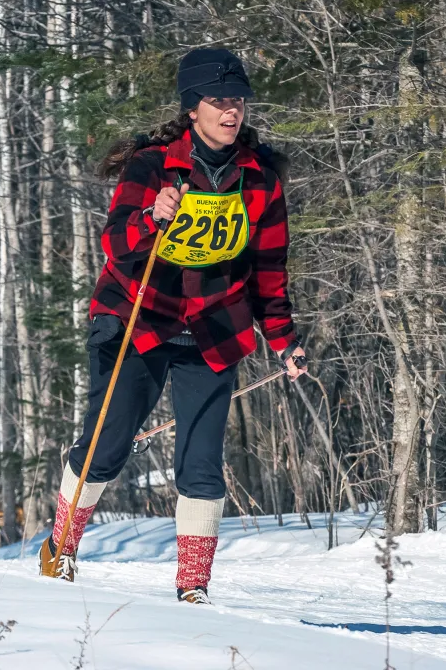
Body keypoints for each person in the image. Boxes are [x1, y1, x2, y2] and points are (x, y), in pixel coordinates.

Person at [39, 48, 307, 604]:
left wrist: (284, 343)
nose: (231, 112)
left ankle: (193, 589)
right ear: (193, 109)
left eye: (237, 101)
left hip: (213, 330)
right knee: (106, 446)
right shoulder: (154, 165)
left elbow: (268, 271)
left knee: (202, 464)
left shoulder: (260, 178)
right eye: (218, 102)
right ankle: (61, 551)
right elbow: (114, 246)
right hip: (138, 318)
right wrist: (150, 217)